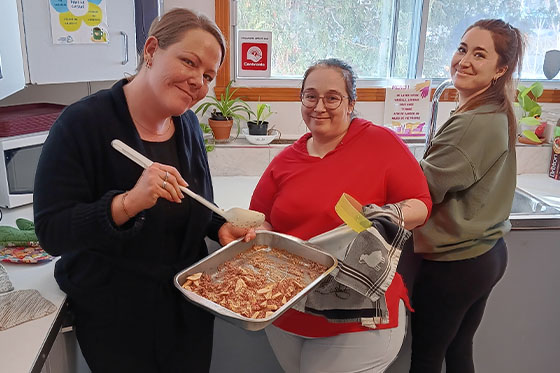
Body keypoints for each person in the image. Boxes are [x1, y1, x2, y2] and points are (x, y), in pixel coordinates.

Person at [33, 8, 254, 373]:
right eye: (189, 61)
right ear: (151, 50)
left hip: (186, 306)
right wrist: (127, 203)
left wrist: (217, 227)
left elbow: (195, 202)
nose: (199, 80)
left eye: (208, 75)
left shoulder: (188, 128)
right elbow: (52, 233)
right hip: (115, 315)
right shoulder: (82, 124)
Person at [249, 58, 432, 373]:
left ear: (351, 103)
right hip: (291, 308)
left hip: (360, 314)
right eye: (310, 96)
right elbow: (260, 219)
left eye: (332, 97)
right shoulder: (285, 161)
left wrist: (383, 215)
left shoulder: (381, 143)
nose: (319, 106)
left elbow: (421, 204)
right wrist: (257, 236)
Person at [410, 19, 525, 373]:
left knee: (425, 360)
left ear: (500, 69)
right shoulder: (493, 110)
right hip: (486, 254)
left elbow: (421, 190)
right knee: (459, 349)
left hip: (454, 264)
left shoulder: (473, 123)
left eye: (480, 54)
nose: (464, 61)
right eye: (462, 49)